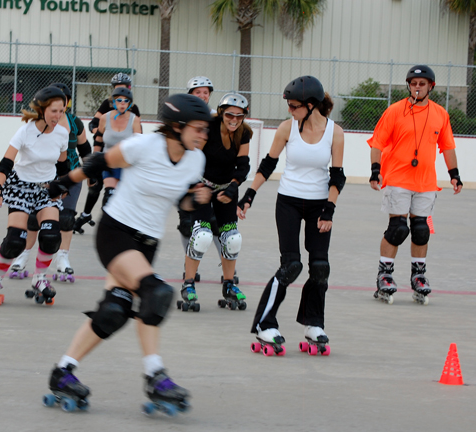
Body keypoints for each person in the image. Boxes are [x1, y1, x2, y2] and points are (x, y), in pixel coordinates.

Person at [42, 94, 212, 413]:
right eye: (199, 129)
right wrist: (62, 183)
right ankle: (155, 375)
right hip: (116, 234)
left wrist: (196, 200)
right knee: (156, 293)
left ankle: (62, 372)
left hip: (146, 244)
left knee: (114, 312)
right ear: (177, 126)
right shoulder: (144, 146)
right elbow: (98, 163)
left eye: (206, 130)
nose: (204, 135)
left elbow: (182, 202)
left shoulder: (195, 160)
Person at [239, 76, 345, 355]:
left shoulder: (335, 132)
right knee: (291, 266)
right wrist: (250, 195)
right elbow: (268, 164)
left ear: (311, 105)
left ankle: (314, 324)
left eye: (294, 105)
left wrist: (329, 209)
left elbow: (337, 176)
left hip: (319, 204)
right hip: (288, 202)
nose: (289, 110)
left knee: (320, 267)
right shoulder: (288, 128)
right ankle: (265, 323)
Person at [368, 65, 462, 305]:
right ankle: (385, 275)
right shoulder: (395, 111)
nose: (417, 87)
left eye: (422, 83)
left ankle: (418, 276)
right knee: (397, 229)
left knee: (421, 230)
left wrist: (454, 174)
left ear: (431, 86)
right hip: (398, 179)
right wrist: (375, 171)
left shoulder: (440, 114)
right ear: (408, 85)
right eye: (413, 83)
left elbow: (448, 146)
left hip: (426, 182)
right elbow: (377, 142)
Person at [0, 86, 68, 305]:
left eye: (62, 111)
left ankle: (39, 279)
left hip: (47, 189)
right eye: (54, 111)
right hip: (21, 186)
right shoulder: (26, 131)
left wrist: (63, 186)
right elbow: (5, 163)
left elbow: (63, 164)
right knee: (15, 239)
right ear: (41, 110)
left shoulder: (62, 133)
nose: (58, 117)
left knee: (51, 236)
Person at [8, 82, 92, 282]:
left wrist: (92, 172)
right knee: (33, 220)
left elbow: (85, 148)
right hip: (42, 178)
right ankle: (24, 255)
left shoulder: (74, 123)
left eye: (63, 103)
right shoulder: (38, 124)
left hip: (70, 175)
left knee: (66, 218)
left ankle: (63, 258)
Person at [180, 93, 251, 312]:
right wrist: (194, 186)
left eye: (240, 116)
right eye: (230, 114)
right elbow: (191, 156)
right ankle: (188, 284)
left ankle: (229, 284)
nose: (234, 120)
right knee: (202, 235)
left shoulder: (244, 133)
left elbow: (243, 165)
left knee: (232, 238)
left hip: (225, 190)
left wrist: (233, 185)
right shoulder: (208, 128)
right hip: (202, 187)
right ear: (221, 113)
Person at [73, 73, 141, 234]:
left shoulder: (133, 110)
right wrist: (102, 133)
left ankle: (119, 224)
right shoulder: (106, 106)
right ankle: (86, 215)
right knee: (96, 186)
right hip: (105, 154)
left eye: (123, 90)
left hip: (124, 160)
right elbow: (93, 124)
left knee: (117, 194)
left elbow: (139, 138)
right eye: (117, 90)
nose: (121, 97)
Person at [93, 87, 142, 206]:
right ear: (113, 102)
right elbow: (98, 140)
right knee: (109, 197)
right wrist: (94, 164)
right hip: (109, 162)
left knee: (124, 201)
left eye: (126, 101)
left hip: (126, 164)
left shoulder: (134, 120)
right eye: (119, 100)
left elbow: (140, 145)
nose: (122, 103)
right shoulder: (105, 118)